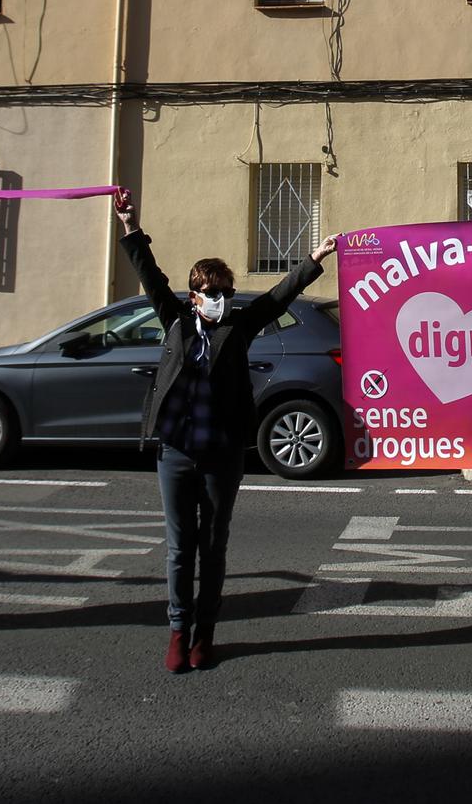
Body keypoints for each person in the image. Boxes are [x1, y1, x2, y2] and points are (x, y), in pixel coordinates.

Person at [112, 188, 337, 673]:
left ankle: (204, 636)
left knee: (213, 546)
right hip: (175, 452)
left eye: (227, 293)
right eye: (213, 293)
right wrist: (130, 225)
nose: (221, 300)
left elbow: (280, 295)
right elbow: (150, 276)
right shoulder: (175, 321)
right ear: (195, 295)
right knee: (179, 547)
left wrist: (315, 258)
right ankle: (177, 631)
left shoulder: (237, 328)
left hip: (221, 454)